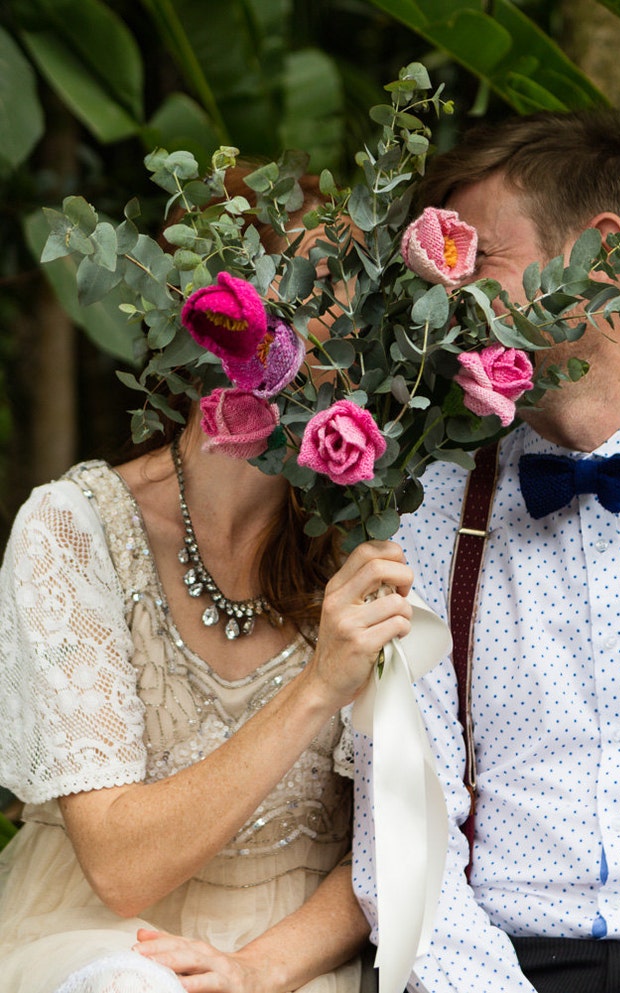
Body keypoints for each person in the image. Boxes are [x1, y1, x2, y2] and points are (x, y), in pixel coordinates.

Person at [352, 108, 620, 992]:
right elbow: (401, 838)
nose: (452, 300)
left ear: (601, 255)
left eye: (486, 263)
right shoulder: (421, 514)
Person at [0, 176, 413, 993]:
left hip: (297, 951)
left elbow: (405, 826)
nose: (324, 338)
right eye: (297, 303)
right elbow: (120, 868)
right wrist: (312, 691)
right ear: (211, 325)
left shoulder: (374, 544)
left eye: (352, 316)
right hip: (99, 938)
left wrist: (264, 967)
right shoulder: (72, 529)